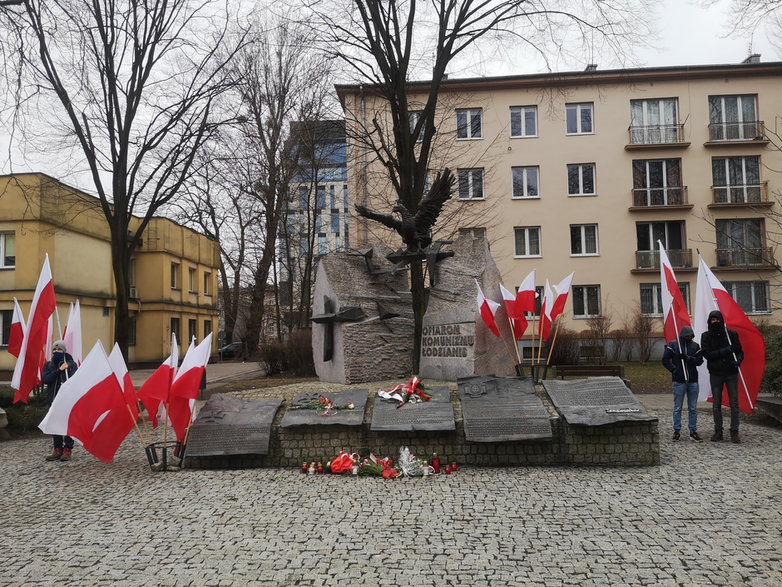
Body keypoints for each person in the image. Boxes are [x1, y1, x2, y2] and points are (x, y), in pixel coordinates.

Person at [700, 310, 744, 443]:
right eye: (713, 320)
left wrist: (738, 361)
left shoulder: (731, 334)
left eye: (717, 319)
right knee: (716, 403)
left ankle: (734, 431)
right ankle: (718, 430)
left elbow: (740, 352)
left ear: (721, 320)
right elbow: (707, 354)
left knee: (734, 403)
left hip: (731, 372)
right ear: (709, 321)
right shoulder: (706, 336)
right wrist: (724, 351)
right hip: (716, 373)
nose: (715, 322)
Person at [662, 325, 704, 442]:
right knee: (677, 407)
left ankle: (693, 431)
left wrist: (688, 358)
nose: (688, 337)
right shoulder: (674, 345)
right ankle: (676, 430)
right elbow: (665, 359)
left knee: (693, 408)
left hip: (692, 381)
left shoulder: (695, 346)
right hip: (678, 381)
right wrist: (674, 369)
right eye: (687, 336)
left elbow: (700, 360)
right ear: (682, 335)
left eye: (690, 336)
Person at [41, 340, 78, 461]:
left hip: (67, 399)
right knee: (55, 424)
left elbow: (75, 379)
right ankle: (57, 448)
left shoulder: (71, 364)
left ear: (64, 351)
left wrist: (68, 368)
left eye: (59, 349)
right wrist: (59, 370)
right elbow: (46, 379)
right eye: (54, 350)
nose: (56, 351)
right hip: (53, 399)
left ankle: (67, 449)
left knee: (68, 424)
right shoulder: (48, 365)